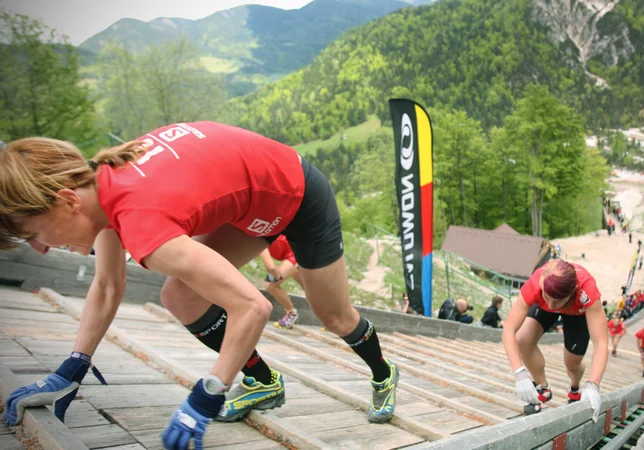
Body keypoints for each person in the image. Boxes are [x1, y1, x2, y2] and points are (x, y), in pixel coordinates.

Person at [0, 122, 399, 448]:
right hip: (253, 204)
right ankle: (264, 382)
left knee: (334, 316)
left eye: (35, 234)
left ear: (67, 199)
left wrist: (206, 394)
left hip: (299, 197)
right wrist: (71, 368)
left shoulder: (140, 217)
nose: (40, 251)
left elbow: (253, 307)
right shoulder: (101, 188)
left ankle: (383, 372)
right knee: (179, 294)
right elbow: (106, 285)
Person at [501, 260, 607, 421]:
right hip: (542, 305)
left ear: (573, 291)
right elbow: (509, 329)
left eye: (556, 301)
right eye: (546, 296)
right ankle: (543, 387)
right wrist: (519, 374)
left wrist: (593, 384)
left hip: (576, 313)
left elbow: (601, 342)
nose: (551, 305)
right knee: (523, 339)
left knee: (571, 362)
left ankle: (575, 386)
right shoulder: (537, 283)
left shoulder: (587, 290)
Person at [260, 235, 303, 329]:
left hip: (297, 252)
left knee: (270, 284)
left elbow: (271, 267)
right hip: (295, 249)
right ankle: (333, 314)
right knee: (310, 288)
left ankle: (291, 313)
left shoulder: (257, 238)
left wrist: (277, 275)